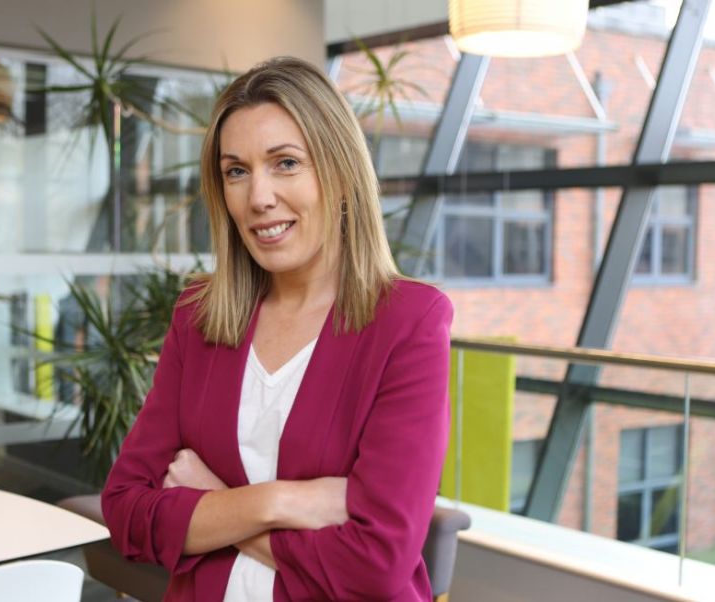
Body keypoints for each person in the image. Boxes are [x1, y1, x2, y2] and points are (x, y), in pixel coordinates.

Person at [101, 56, 453, 601]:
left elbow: (376, 566)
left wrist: (213, 504)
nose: (258, 197)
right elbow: (126, 510)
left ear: (339, 174)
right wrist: (279, 502)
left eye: (285, 163)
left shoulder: (409, 322)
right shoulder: (199, 316)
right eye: (236, 171)